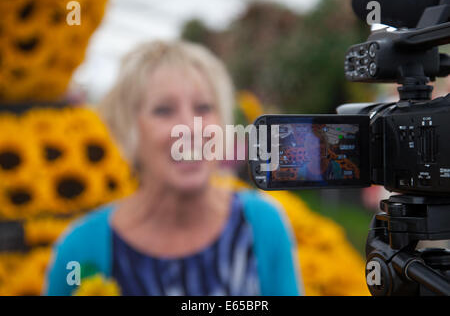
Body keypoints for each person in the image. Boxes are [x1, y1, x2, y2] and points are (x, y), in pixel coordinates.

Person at [44, 40, 302, 296]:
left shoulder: (262, 225)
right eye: (164, 110)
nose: (190, 128)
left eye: (204, 108)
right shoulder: (80, 250)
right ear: (128, 130)